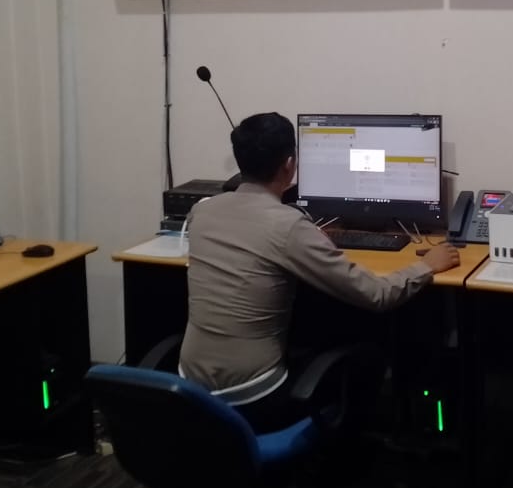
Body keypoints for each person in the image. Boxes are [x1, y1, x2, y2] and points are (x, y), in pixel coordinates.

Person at [179, 112, 461, 430]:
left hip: (190, 389)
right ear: (290, 164)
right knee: (371, 353)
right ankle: (356, 448)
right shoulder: (288, 226)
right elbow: (377, 295)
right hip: (253, 396)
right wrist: (427, 265)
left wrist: (307, 238)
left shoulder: (202, 211)